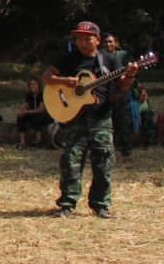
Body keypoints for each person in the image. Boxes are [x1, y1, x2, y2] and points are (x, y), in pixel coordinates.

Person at [43, 21, 140, 219]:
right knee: (70, 162)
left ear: (97, 40)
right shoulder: (69, 59)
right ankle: (67, 204)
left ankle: (101, 205)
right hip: (74, 120)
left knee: (103, 162)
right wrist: (64, 81)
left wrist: (130, 75)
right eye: (79, 39)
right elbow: (46, 77)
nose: (83, 42)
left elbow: (123, 87)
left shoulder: (109, 60)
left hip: (100, 120)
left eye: (87, 38)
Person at [103, 33, 136, 158]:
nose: (108, 44)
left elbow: (131, 77)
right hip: (105, 96)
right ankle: (110, 150)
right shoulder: (98, 56)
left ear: (116, 43)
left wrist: (121, 93)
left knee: (124, 123)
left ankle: (126, 151)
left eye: (111, 41)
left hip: (122, 95)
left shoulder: (123, 56)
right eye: (106, 42)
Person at [16, 77, 52, 148]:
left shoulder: (43, 94)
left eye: (34, 84)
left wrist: (28, 112)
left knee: (36, 116)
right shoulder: (29, 94)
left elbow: (41, 109)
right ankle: (22, 142)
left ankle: (38, 141)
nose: (32, 86)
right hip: (33, 114)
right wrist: (21, 111)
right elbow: (26, 105)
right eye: (30, 84)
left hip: (46, 116)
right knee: (20, 117)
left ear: (39, 85)